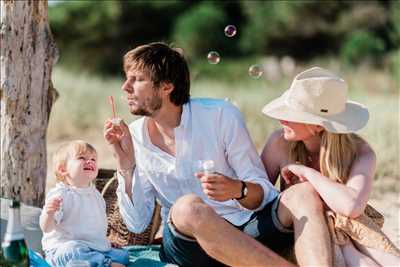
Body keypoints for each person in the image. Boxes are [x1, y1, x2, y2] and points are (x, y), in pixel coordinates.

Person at [104, 42, 334, 267]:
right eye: (127, 78)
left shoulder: (221, 116)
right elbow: (136, 224)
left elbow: (262, 194)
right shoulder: (134, 136)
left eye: (137, 79)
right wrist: (125, 161)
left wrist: (237, 189)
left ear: (166, 86)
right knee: (187, 207)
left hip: (247, 229)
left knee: (303, 193)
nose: (125, 86)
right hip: (190, 246)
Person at [261, 66, 400, 267]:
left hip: (349, 234)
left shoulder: (361, 152)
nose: (281, 118)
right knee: (332, 220)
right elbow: (258, 200)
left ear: (318, 125)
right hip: (302, 234)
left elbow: (351, 206)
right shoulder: (279, 143)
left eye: (291, 113)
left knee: (344, 219)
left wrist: (306, 172)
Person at [39, 140, 129, 267]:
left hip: (92, 248)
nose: (90, 161)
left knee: (123, 255)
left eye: (93, 159)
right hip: (62, 249)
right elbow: (47, 228)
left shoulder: (96, 194)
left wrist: (104, 242)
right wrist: (49, 213)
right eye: (82, 158)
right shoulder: (61, 194)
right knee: (72, 251)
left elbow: (95, 228)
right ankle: (104, 264)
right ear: (63, 169)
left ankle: (94, 262)